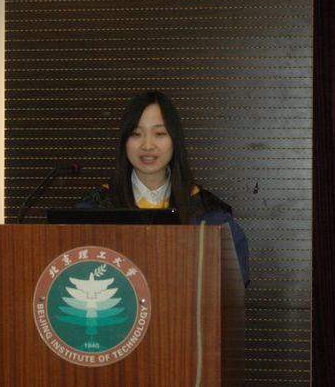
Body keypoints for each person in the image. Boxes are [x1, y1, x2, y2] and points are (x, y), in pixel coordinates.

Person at [76, 91, 250, 286]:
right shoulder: (94, 209)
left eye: (159, 133)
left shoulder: (210, 215)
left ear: (174, 140)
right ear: (124, 141)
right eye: (136, 134)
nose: (147, 145)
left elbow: (232, 286)